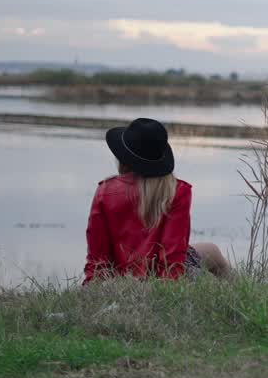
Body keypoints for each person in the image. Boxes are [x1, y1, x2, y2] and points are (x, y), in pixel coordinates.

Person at [82, 117, 230, 284]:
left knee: (211, 250)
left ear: (123, 158)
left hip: (120, 279)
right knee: (213, 252)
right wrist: (161, 289)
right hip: (161, 278)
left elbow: (97, 259)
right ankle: (238, 296)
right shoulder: (176, 191)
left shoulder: (104, 191)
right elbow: (172, 258)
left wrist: (94, 286)